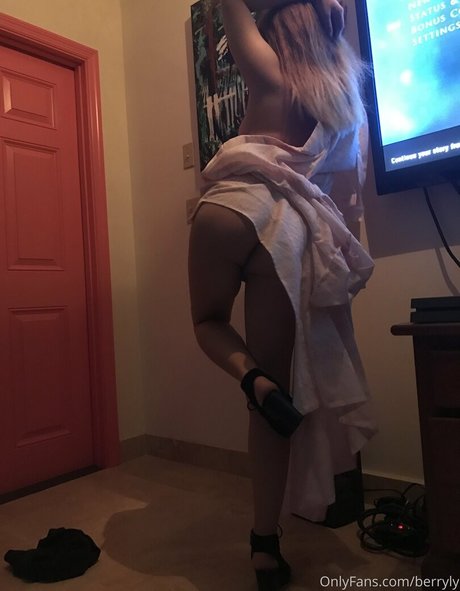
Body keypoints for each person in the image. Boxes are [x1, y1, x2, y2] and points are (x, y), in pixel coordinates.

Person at [188, 1, 377, 589]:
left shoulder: (266, 69)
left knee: (209, 323)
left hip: (228, 210)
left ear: (276, 29)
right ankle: (265, 546)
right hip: (286, 230)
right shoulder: (344, 97)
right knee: (274, 401)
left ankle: (250, 378)